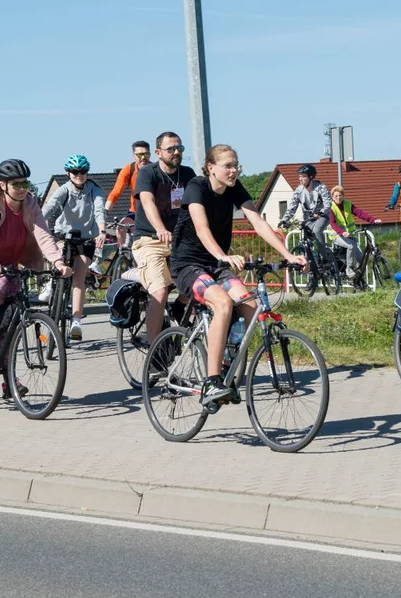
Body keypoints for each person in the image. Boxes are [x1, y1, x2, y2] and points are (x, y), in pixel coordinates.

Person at [170, 144, 306, 405]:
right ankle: (211, 382)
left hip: (215, 262)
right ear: (211, 167)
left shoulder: (235, 188)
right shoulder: (197, 187)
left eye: (236, 165)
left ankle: (226, 362)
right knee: (222, 302)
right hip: (187, 263)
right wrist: (222, 255)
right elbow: (201, 228)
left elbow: (258, 222)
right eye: (228, 166)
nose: (234, 171)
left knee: (249, 304)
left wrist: (288, 255)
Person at [0, 159, 72, 398]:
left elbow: (43, 235)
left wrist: (58, 262)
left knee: (14, 318)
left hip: (8, 265)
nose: (22, 187)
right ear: (3, 185)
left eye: (25, 182)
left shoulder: (30, 204)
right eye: (16, 183)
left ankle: (9, 381)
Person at [132, 131, 197, 343]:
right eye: (171, 149)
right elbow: (148, 202)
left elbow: (198, 204)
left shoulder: (187, 174)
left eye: (180, 148)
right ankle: (153, 350)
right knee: (159, 293)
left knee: (202, 276)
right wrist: (160, 228)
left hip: (178, 240)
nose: (176, 152)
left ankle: (179, 306)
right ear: (158, 152)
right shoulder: (147, 174)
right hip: (150, 240)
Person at [41, 154, 106, 341]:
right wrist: (37, 223)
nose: (80, 175)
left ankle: (77, 321)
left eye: (83, 171)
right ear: (68, 173)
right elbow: (50, 207)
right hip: (64, 235)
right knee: (58, 254)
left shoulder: (95, 190)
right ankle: (50, 285)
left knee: (79, 275)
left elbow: (100, 210)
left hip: (86, 238)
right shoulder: (64, 190)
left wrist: (101, 231)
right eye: (75, 172)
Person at [98, 140, 151, 275]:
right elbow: (116, 192)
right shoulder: (129, 169)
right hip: (135, 211)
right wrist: (105, 211)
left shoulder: (155, 169)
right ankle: (124, 255)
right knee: (120, 227)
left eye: (146, 154)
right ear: (134, 156)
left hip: (153, 213)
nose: (143, 158)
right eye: (139, 155)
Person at [328, 185, 380, 281]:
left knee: (361, 260)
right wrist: (342, 232)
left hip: (349, 235)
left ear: (343, 196)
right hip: (336, 235)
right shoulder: (331, 208)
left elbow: (360, 213)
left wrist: (373, 220)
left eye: (340, 195)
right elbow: (332, 223)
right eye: (336, 196)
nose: (338, 198)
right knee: (351, 246)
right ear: (332, 197)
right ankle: (349, 269)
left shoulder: (348, 204)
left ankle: (359, 281)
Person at [280, 164, 332, 256]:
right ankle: (311, 263)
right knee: (306, 239)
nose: (300, 179)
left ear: (311, 177)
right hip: (308, 218)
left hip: (322, 216)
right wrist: (284, 220)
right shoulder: (298, 191)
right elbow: (292, 207)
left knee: (317, 231)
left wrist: (321, 212)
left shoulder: (321, 187)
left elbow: (328, 203)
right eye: (299, 176)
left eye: (303, 176)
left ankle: (325, 258)